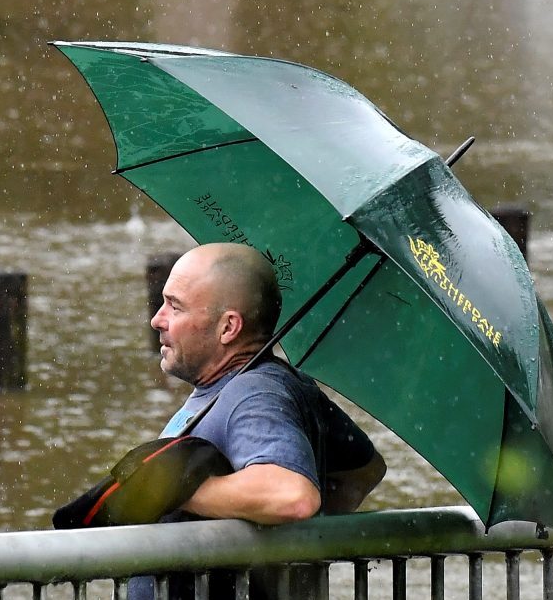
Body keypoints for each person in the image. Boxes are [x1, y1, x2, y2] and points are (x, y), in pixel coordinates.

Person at [133, 243, 386, 600]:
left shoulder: (252, 394)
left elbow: (292, 497)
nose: (157, 319)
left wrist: (176, 491)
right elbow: (363, 468)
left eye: (175, 306)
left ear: (228, 328)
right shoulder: (280, 383)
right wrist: (278, 545)